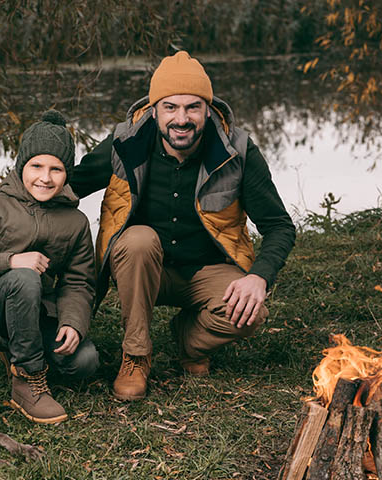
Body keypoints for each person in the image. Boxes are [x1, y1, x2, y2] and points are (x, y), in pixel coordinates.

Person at [70, 51, 296, 401]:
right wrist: (18, 197)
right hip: (145, 271)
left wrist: (258, 277)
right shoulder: (124, 143)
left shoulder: (237, 149)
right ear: (154, 109)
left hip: (208, 270)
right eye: (171, 107)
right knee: (138, 240)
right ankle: (136, 357)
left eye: (192, 107)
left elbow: (279, 225)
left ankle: (189, 341)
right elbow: (69, 184)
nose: (182, 118)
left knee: (249, 315)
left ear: (208, 108)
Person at [0, 110, 98, 424]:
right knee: (24, 278)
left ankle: (18, 344)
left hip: (37, 310)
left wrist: (73, 322)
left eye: (56, 169)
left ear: (67, 173)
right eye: (36, 166)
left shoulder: (76, 221)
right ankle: (27, 379)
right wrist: (10, 261)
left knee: (86, 362)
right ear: (21, 166)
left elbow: (79, 283)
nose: (45, 178)